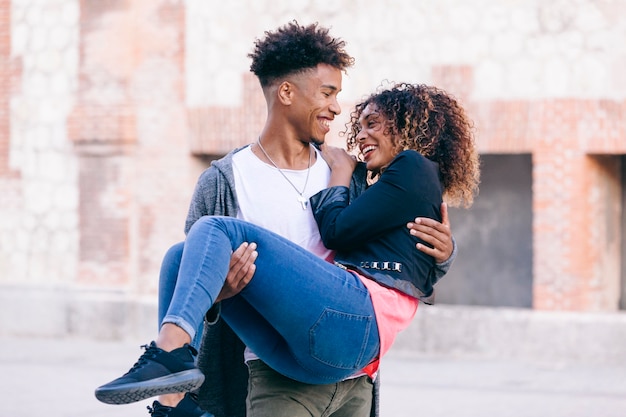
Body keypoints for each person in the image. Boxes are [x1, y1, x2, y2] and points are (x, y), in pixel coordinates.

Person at [95, 22, 458, 417]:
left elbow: (395, 258)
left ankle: (167, 361)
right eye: (327, 93)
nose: (337, 108)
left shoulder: (348, 172)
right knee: (181, 255)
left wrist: (446, 254)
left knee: (217, 230)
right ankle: (174, 395)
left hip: (350, 372)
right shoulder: (222, 181)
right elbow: (196, 279)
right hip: (276, 370)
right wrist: (218, 294)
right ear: (286, 92)